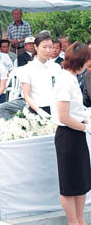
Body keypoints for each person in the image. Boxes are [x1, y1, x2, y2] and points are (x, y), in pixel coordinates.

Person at [50, 42, 91, 225]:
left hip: (77, 133)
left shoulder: (73, 78)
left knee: (81, 182)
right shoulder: (64, 80)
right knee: (69, 185)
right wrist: (85, 128)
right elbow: (64, 117)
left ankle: (80, 219)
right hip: (68, 136)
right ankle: (73, 222)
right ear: (80, 62)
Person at [21, 33, 61, 117]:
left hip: (56, 109)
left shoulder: (56, 67)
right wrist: (40, 112)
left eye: (50, 47)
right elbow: (27, 95)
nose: (48, 50)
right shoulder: (27, 69)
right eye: (44, 47)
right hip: (36, 110)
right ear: (36, 47)